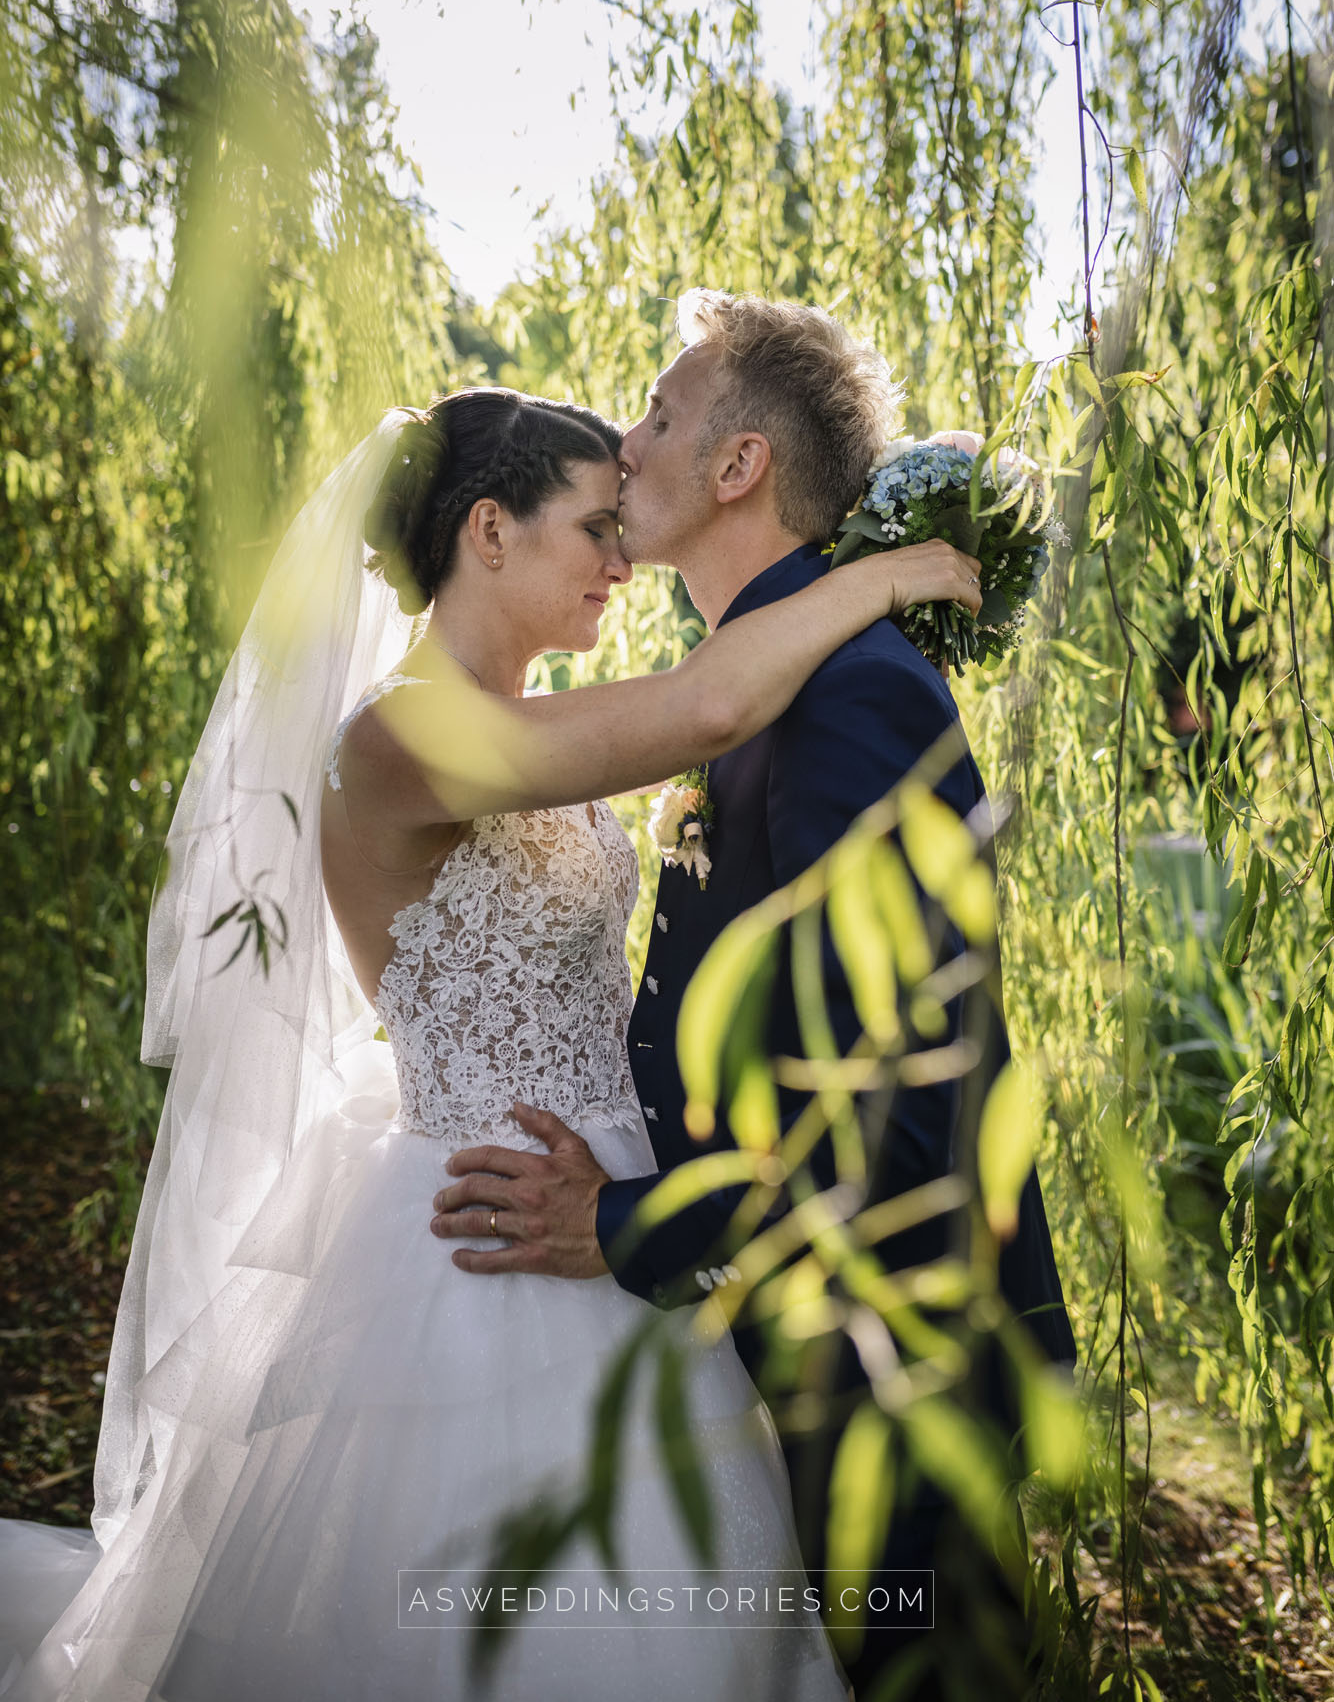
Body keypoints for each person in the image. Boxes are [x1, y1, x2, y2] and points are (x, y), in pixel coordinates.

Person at [0, 381, 982, 1701]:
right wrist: (882, 577)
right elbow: (706, 708)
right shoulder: (401, 737)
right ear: (489, 533)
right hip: (485, 1238)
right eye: (594, 530)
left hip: (615, 1223)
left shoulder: (527, 730)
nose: (621, 561)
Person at [427, 294, 1078, 1700]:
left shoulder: (852, 699)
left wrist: (615, 1222)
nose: (624, 437)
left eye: (659, 412)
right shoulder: (768, 686)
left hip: (893, 1397)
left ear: (738, 467)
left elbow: (888, 1127)